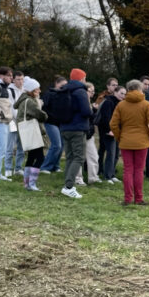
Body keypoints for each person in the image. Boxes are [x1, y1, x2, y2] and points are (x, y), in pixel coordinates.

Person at [110, 79, 149, 206]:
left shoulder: (121, 105)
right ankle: (138, 198)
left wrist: (120, 137)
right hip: (142, 141)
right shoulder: (146, 104)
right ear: (139, 89)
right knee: (139, 170)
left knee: (128, 170)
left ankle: (127, 198)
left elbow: (113, 124)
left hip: (126, 141)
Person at [58, 68, 93, 199]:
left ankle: (67, 183)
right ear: (81, 78)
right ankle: (69, 186)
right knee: (79, 157)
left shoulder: (64, 89)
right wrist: (91, 111)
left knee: (70, 157)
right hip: (77, 128)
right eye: (84, 77)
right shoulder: (81, 91)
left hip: (64, 127)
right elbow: (86, 111)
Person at [13, 77, 48, 191]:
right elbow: (41, 115)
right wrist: (45, 114)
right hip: (33, 133)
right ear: (31, 90)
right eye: (37, 89)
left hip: (27, 133)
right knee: (40, 158)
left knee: (31, 157)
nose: (39, 91)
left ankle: (27, 183)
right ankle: (32, 184)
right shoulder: (30, 101)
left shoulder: (23, 100)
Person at [97, 85, 125, 182]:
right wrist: (110, 130)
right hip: (108, 132)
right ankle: (107, 176)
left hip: (118, 132)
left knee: (116, 153)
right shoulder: (108, 102)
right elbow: (106, 118)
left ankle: (112, 174)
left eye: (125, 94)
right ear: (115, 92)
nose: (123, 96)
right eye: (121, 93)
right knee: (111, 153)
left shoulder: (121, 104)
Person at [38, 75, 66, 175]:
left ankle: (55, 166)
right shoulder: (48, 94)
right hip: (50, 122)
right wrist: (50, 117)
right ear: (56, 84)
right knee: (56, 145)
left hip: (61, 123)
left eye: (65, 85)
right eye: (62, 85)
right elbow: (44, 108)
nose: (63, 87)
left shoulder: (64, 95)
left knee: (61, 145)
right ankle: (45, 166)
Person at [76, 82, 101, 186]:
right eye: (91, 91)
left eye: (93, 91)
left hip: (89, 134)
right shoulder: (79, 102)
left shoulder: (90, 103)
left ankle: (93, 178)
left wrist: (94, 111)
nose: (92, 93)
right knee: (78, 157)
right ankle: (78, 180)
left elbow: (92, 120)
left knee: (94, 156)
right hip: (79, 133)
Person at [4, 71, 26, 177]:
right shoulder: (10, 91)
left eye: (22, 79)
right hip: (12, 121)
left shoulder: (25, 91)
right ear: (14, 80)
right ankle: (8, 168)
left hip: (22, 121)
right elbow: (11, 107)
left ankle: (18, 168)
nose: (20, 81)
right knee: (11, 145)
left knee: (21, 146)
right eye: (18, 79)